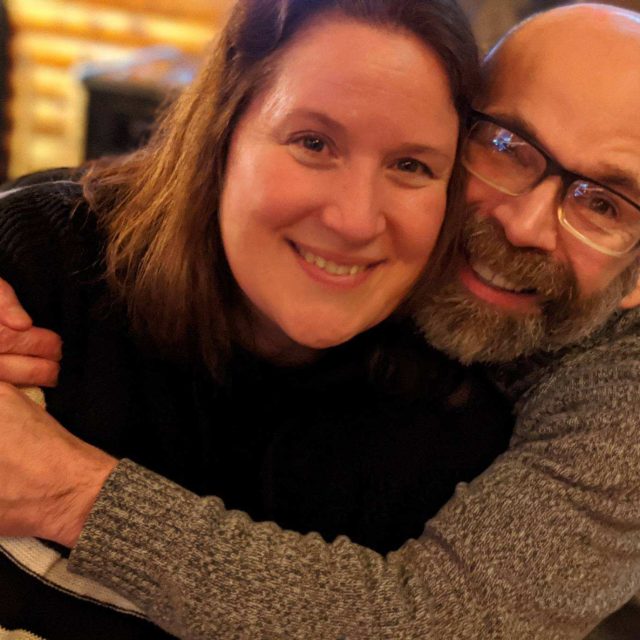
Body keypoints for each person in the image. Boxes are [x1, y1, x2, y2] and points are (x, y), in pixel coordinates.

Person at [1, 2, 640, 639]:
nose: (524, 226)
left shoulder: (473, 431)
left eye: (605, 206)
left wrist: (70, 494)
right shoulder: (47, 267)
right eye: (505, 146)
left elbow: (429, 626)